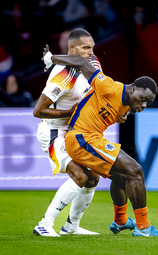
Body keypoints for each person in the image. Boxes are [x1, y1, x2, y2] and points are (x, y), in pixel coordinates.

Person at [42, 46, 158, 237]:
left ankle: (120, 222)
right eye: (143, 99)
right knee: (135, 171)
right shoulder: (109, 86)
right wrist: (52, 58)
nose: (144, 105)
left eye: (148, 103)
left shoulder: (126, 104)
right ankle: (143, 227)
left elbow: (107, 106)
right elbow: (82, 62)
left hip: (90, 138)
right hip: (81, 138)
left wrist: (122, 113)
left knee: (120, 176)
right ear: (133, 88)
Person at [32, 28, 108, 237]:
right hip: (53, 131)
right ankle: (44, 224)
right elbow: (38, 111)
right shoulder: (63, 74)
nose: (91, 52)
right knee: (80, 176)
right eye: (85, 48)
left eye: (92, 47)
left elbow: (101, 91)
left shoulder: (93, 64)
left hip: (74, 132)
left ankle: (71, 227)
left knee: (93, 179)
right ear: (72, 48)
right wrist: (72, 113)